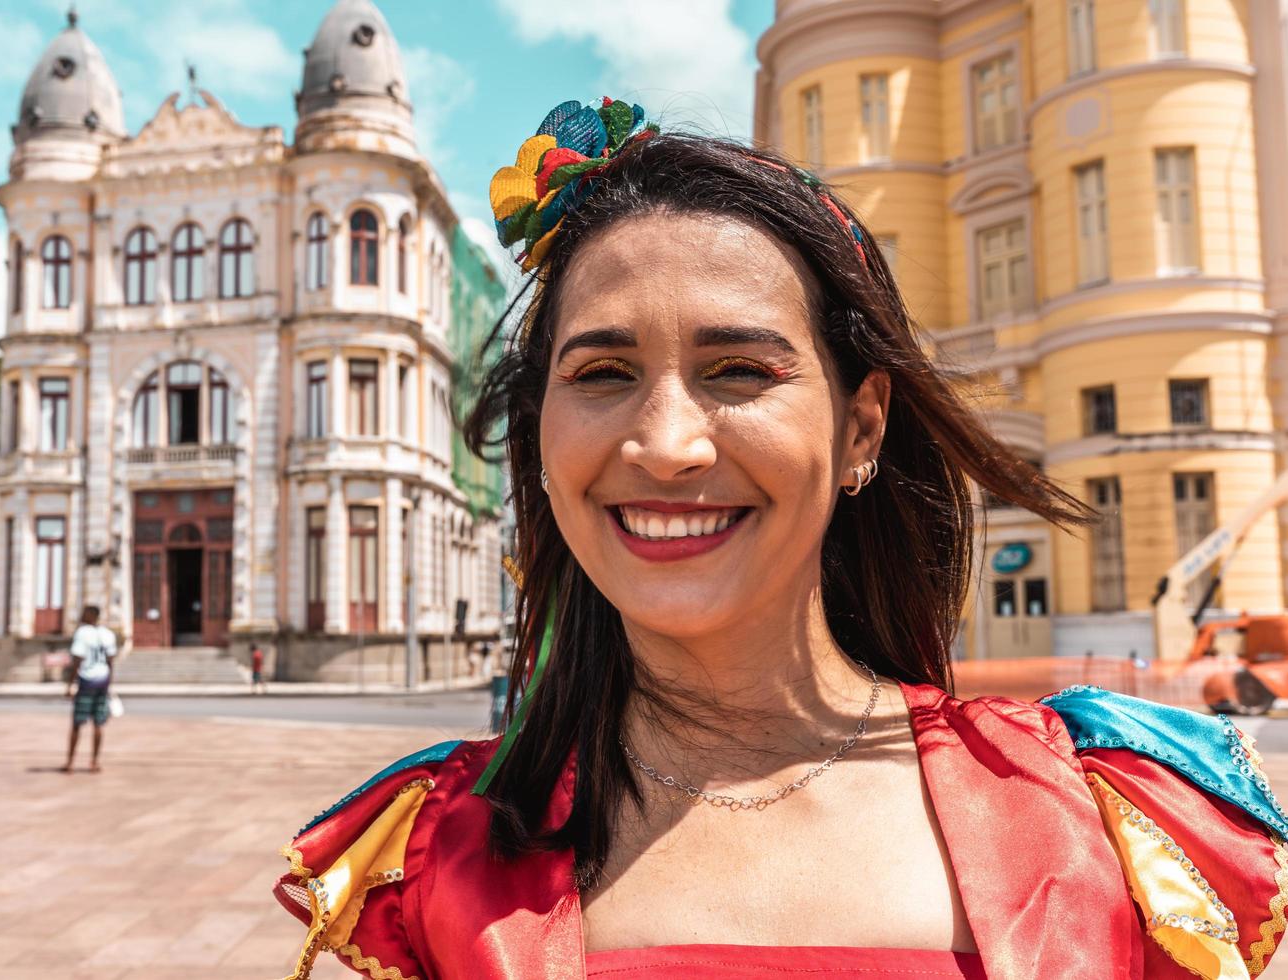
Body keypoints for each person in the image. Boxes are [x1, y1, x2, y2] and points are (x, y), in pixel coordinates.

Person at [272, 100, 1287, 979]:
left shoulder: (1093, 810)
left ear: (861, 428)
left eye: (740, 371)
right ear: (540, 435)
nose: (664, 445)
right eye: (601, 373)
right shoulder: (442, 854)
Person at [63, 604, 117, 773]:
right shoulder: (107, 634)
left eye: (84, 613)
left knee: (77, 723)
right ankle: (94, 761)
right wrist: (110, 683)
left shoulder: (82, 633)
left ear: (90, 615)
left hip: (86, 681)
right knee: (98, 723)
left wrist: (71, 684)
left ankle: (70, 761)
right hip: (103, 681)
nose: (81, 616)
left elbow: (77, 660)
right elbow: (110, 661)